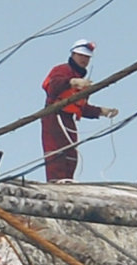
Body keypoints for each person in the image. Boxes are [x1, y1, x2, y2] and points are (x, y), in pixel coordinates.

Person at [39, 41, 114, 182]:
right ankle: (56, 181)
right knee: (56, 152)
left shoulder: (82, 81)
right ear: (73, 54)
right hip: (54, 116)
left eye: (87, 57)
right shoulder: (62, 70)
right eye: (81, 55)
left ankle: (67, 181)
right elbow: (53, 86)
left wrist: (101, 111)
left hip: (68, 119)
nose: (84, 60)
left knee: (71, 153)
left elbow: (81, 107)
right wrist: (71, 82)